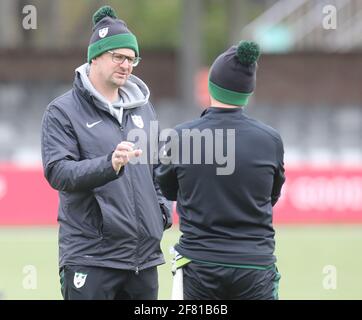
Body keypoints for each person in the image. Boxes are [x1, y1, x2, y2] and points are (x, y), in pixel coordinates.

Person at [41, 5, 172, 300]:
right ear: (95, 57)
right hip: (91, 257)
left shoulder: (144, 108)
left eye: (132, 59)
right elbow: (58, 172)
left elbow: (157, 170)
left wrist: (162, 212)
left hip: (144, 259)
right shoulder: (62, 111)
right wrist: (108, 164)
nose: (126, 65)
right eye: (119, 57)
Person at [156, 41, 285, 300]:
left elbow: (168, 189)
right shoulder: (270, 140)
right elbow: (271, 197)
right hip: (255, 264)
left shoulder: (181, 137)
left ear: (211, 86)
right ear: (247, 92)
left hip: (199, 263)